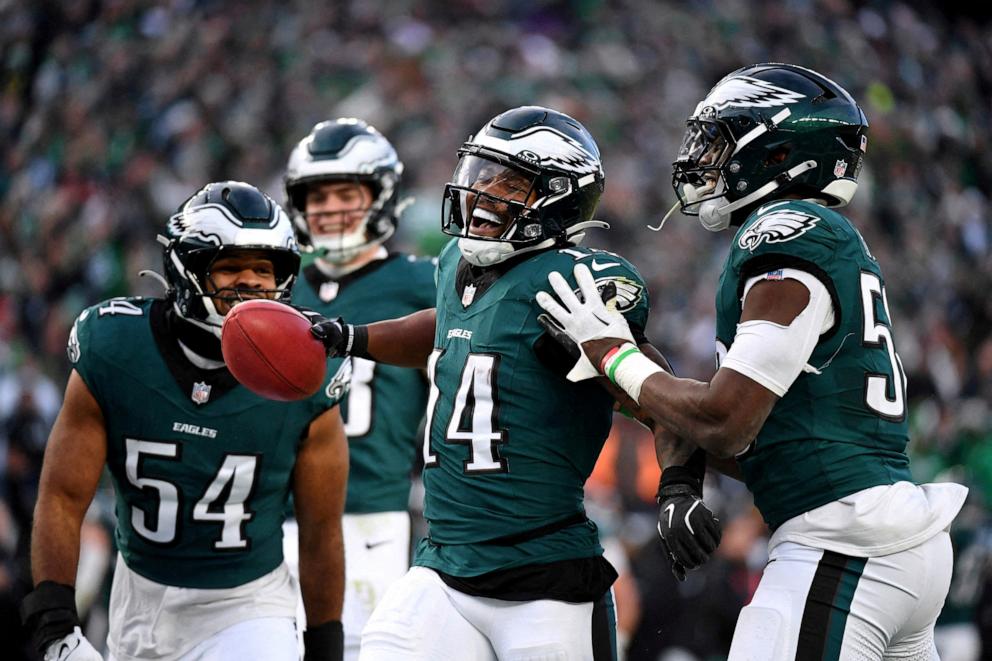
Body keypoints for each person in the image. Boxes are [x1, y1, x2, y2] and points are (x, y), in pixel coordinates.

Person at [537, 63, 969, 660]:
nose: (701, 161)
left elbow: (725, 419)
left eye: (718, 143)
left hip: (842, 544)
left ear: (776, 154)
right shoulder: (817, 237)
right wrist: (678, 475)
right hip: (881, 539)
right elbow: (757, 442)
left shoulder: (786, 232)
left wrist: (613, 355)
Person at [309, 106, 720, 660]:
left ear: (559, 198)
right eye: (482, 175)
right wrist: (352, 337)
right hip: (445, 563)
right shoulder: (457, 261)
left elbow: (651, 388)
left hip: (542, 579)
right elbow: (446, 326)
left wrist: (678, 485)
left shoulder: (571, 283)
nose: (482, 193)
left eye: (509, 184)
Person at [20, 181, 350, 661]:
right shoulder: (114, 348)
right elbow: (63, 497)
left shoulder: (308, 372)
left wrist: (326, 647)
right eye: (231, 267)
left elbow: (321, 531)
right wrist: (54, 623)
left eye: (264, 269)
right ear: (187, 269)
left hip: (247, 604)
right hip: (137, 599)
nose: (253, 283)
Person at [282, 118, 436, 660]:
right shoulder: (280, 287)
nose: (330, 209)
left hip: (374, 514)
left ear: (382, 195)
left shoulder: (423, 282)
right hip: (277, 517)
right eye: (317, 196)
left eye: (347, 193)